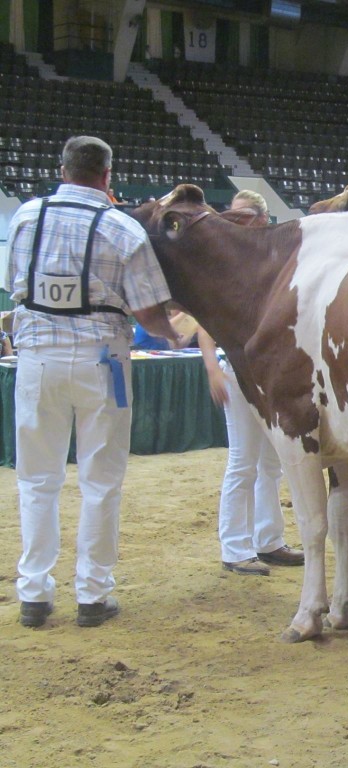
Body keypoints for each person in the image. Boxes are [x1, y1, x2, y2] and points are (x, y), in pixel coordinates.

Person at [1, 135, 186, 629]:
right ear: (107, 176)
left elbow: (15, 285)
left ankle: (34, 593)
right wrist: (173, 331)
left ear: (63, 170)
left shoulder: (25, 217)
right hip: (102, 362)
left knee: (37, 480)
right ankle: (92, 594)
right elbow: (148, 311)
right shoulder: (122, 228)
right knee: (100, 481)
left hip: (37, 359)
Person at [198, 189, 304, 576]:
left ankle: (269, 539)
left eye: (243, 216)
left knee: (271, 462)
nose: (235, 223)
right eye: (232, 216)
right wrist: (213, 368)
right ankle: (235, 547)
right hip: (239, 368)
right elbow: (205, 321)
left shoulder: (277, 259)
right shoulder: (226, 264)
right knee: (243, 461)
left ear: (261, 219)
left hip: (270, 370)